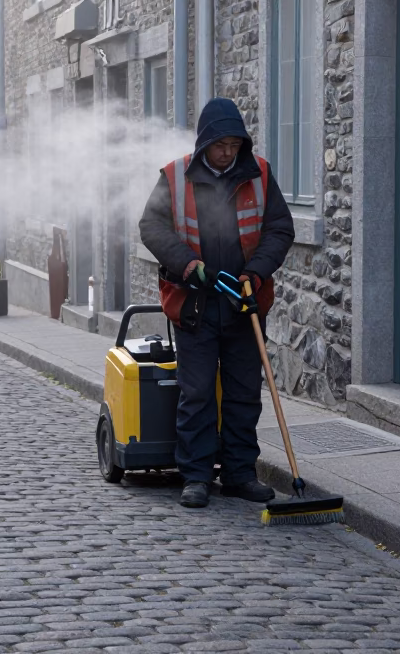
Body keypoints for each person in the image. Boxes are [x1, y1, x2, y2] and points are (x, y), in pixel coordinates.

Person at [139, 97, 295, 508]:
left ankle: (241, 473)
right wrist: (189, 265)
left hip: (245, 304)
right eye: (220, 144)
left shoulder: (259, 173)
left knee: (245, 393)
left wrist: (255, 272)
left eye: (233, 144)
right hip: (196, 306)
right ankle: (196, 475)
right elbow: (151, 227)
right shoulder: (174, 176)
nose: (227, 152)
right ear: (205, 142)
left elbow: (279, 229)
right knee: (197, 393)